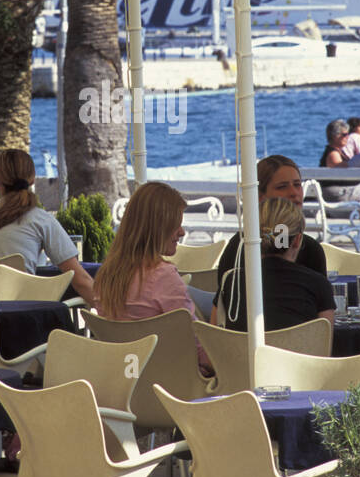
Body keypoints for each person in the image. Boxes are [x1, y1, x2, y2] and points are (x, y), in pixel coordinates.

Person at [94, 183, 210, 373]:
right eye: (175, 226)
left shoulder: (106, 277)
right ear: (156, 228)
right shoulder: (163, 276)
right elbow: (195, 346)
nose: (181, 232)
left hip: (123, 382)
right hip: (173, 388)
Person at [0, 149, 96, 306]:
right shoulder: (40, 219)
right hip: (20, 317)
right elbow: (80, 281)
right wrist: (113, 319)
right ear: (32, 180)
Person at [215, 155, 328, 301]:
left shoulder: (311, 249)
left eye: (297, 184)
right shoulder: (241, 246)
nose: (294, 192)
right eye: (282, 187)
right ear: (260, 197)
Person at [214, 197, 334, 332]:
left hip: (241, 353)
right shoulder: (318, 284)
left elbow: (215, 336)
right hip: (295, 353)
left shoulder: (232, 282)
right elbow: (324, 344)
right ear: (298, 240)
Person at [318, 119, 354, 201]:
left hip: (341, 191)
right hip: (336, 193)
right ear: (335, 136)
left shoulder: (338, 152)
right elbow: (343, 169)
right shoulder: (333, 154)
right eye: (345, 134)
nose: (348, 137)